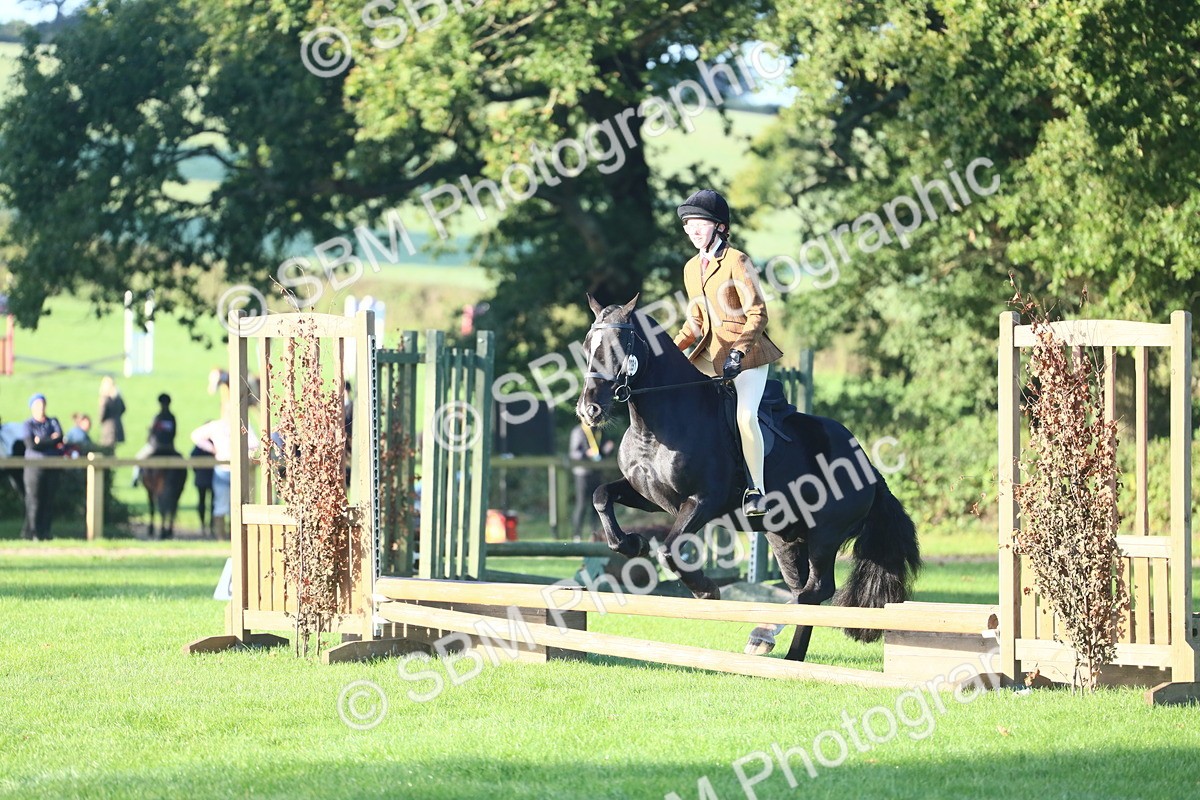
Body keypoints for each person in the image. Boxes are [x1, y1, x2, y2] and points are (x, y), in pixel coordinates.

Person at [672, 189, 784, 516]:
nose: (692, 230)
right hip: (709, 354)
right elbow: (694, 321)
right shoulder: (692, 268)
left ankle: (756, 492)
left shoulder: (736, 260)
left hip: (746, 356)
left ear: (719, 227)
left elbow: (758, 314)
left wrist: (738, 352)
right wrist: (670, 350)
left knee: (744, 417)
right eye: (688, 224)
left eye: (700, 224)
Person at [191, 413, 257, 540]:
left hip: (225, 468)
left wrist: (213, 449)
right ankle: (232, 536)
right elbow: (254, 444)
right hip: (235, 470)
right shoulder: (241, 424)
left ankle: (225, 536)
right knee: (235, 503)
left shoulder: (217, 425)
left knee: (224, 504)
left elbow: (196, 436)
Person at [22, 393, 64, 540]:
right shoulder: (28, 425)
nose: (41, 408)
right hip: (34, 468)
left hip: (51, 466)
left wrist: (41, 441)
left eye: (42, 404)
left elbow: (59, 437)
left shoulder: (52, 422)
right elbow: (31, 445)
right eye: (37, 405)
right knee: (34, 500)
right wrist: (50, 440)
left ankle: (46, 532)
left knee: (48, 500)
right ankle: (33, 532)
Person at [569, 423, 613, 541]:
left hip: (597, 472)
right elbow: (573, 453)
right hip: (582, 473)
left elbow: (602, 452)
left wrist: (608, 449)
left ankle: (595, 534)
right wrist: (586, 453)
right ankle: (577, 535)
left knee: (597, 504)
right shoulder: (578, 431)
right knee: (581, 505)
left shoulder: (599, 430)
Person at [132, 394, 177, 486]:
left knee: (138, 458)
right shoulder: (172, 417)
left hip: (155, 447)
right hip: (170, 447)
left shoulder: (157, 417)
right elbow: (173, 433)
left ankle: (135, 479)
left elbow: (152, 432)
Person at [98, 376, 126, 452]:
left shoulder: (104, 398)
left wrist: (101, 420)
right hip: (118, 425)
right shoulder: (118, 397)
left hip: (108, 428)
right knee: (112, 449)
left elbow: (102, 414)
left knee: (107, 450)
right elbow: (124, 408)